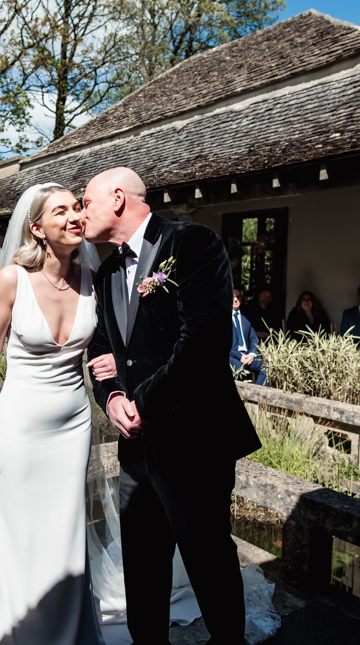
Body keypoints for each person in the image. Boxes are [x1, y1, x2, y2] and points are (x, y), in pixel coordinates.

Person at [84, 167, 262, 645]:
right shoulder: (106, 272)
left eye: (87, 202)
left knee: (207, 554)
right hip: (136, 445)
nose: (82, 213)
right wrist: (113, 397)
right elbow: (101, 350)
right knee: (142, 559)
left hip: (194, 437)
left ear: (117, 198)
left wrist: (142, 400)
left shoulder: (192, 243)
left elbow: (203, 341)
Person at [0, 183, 113, 644]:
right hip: (21, 426)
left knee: (66, 529)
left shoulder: (93, 278)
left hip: (74, 423)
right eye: (60, 211)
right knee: (23, 532)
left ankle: (69, 632)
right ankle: (22, 633)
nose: (75, 216)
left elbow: (109, 344)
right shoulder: (12, 279)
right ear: (37, 229)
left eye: (77, 207)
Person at [230, 288, 267, 386]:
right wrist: (240, 356)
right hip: (232, 356)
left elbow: (253, 338)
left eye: (238, 297)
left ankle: (258, 394)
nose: (236, 299)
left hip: (248, 355)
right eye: (233, 297)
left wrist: (252, 354)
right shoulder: (223, 318)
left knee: (265, 367)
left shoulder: (247, 317)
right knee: (239, 371)